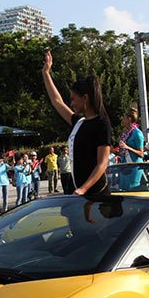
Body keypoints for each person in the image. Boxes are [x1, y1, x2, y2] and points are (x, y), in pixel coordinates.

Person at [42, 50, 112, 195]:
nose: (71, 103)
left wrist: (83, 189)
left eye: (74, 99)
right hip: (76, 189)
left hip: (96, 192)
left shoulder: (102, 123)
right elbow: (57, 102)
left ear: (85, 98)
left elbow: (102, 162)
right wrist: (46, 73)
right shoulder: (79, 122)